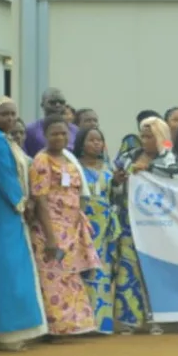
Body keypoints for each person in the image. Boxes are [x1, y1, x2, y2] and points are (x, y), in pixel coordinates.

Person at [0, 97, 48, 351]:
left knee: (15, 268)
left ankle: (17, 328)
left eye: (12, 114)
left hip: (9, 214)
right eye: (3, 114)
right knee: (6, 271)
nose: (9, 119)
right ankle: (8, 332)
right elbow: (5, 177)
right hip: (3, 213)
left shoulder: (2, 139)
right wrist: (22, 203)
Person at [29, 115, 100, 336]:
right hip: (51, 229)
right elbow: (40, 199)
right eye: (54, 134)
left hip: (71, 229)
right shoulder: (41, 161)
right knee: (53, 277)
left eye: (63, 133)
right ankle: (56, 327)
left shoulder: (68, 159)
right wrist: (50, 237)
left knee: (70, 275)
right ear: (45, 136)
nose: (59, 137)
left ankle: (75, 325)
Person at [113, 116, 178, 334]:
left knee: (154, 269)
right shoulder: (126, 158)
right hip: (129, 222)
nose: (144, 140)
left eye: (150, 136)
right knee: (128, 268)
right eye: (142, 135)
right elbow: (113, 186)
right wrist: (118, 181)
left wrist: (148, 169)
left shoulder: (169, 159)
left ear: (160, 137)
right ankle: (129, 319)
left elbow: (175, 185)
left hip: (157, 225)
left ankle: (158, 319)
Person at [76, 126, 119, 333]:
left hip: (105, 224)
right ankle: (84, 323)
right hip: (83, 223)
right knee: (85, 269)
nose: (96, 144)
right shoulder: (75, 167)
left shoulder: (109, 167)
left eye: (99, 140)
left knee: (103, 271)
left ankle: (102, 323)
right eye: (91, 140)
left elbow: (114, 194)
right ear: (81, 144)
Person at [24, 88, 79, 156]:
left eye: (61, 102)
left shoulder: (75, 130)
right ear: (42, 105)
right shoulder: (31, 130)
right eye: (52, 102)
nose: (57, 105)